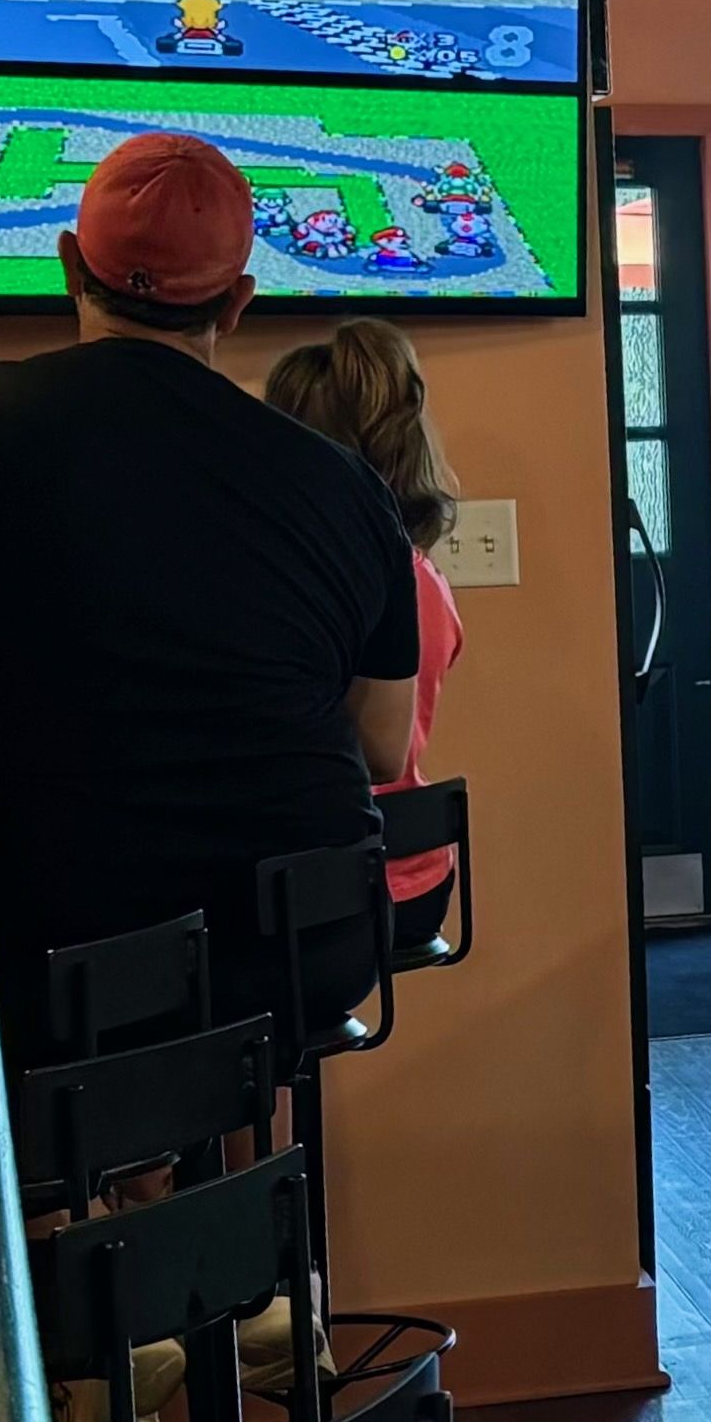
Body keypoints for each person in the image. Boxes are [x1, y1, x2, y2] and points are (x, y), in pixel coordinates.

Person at [0, 133, 423, 1049]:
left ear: (69, 263)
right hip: (317, 944)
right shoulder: (346, 482)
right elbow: (382, 747)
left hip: (76, 958)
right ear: (238, 302)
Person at [262, 317, 468, 955]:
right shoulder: (422, 575)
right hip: (410, 864)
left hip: (356, 883)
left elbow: (368, 755)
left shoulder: (348, 585)